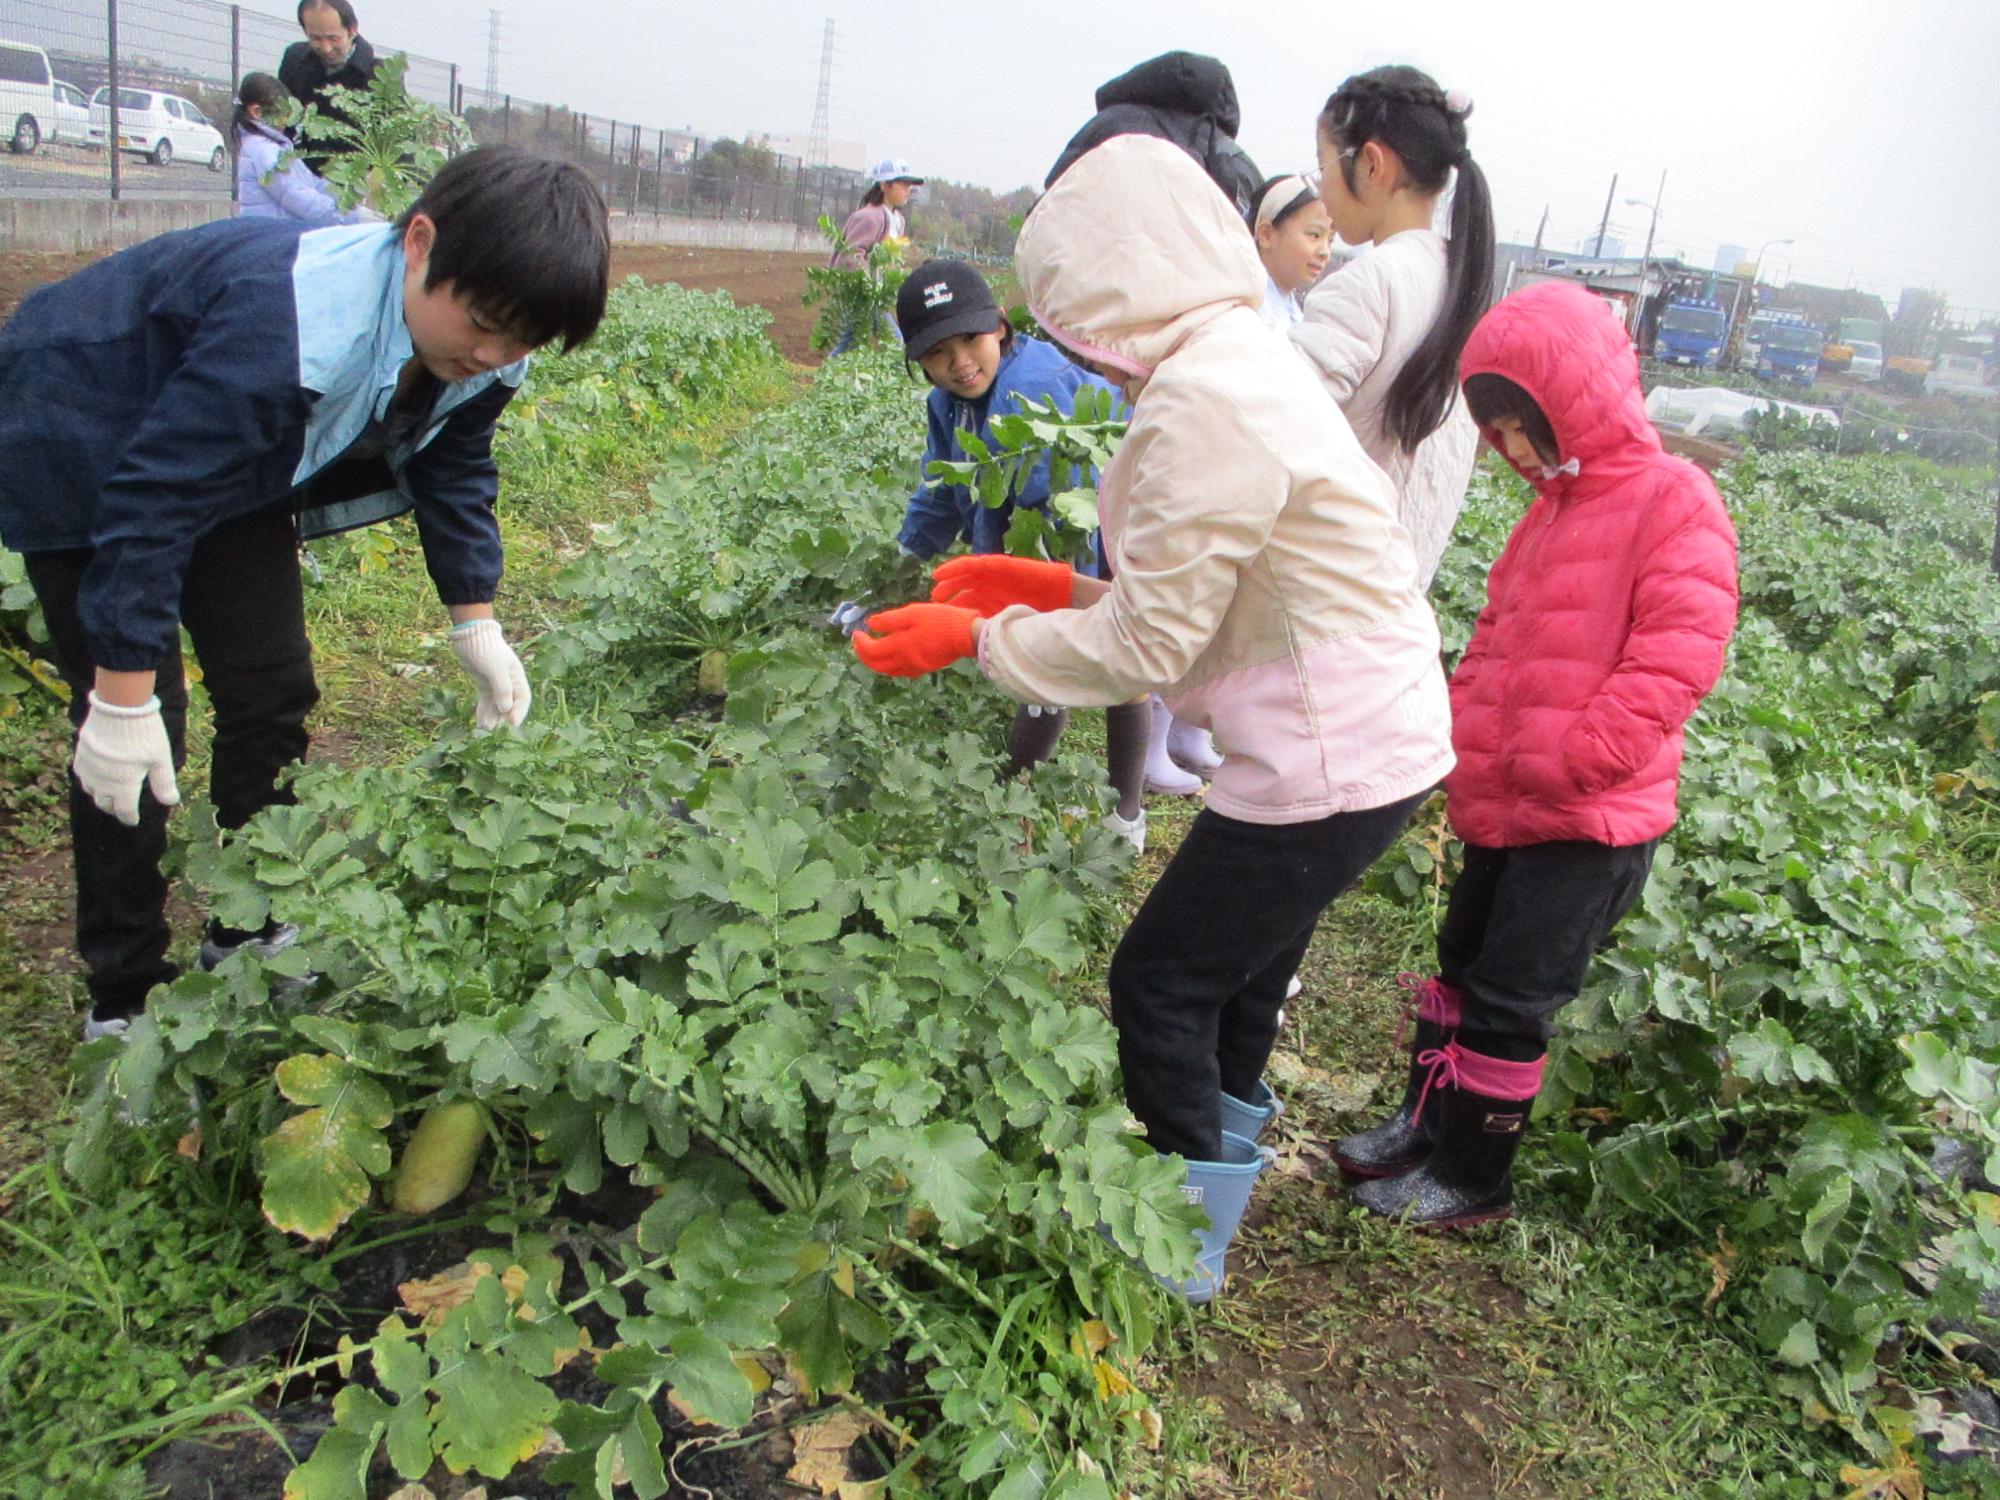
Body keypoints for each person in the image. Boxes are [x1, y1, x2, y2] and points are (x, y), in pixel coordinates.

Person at [851, 135, 1454, 1300]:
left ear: (1112, 298)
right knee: (1237, 976)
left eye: (1081, 328)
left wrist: (974, 641)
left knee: (1158, 985)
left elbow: (1148, 649)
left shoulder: (1203, 397)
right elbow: (1192, 595)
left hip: (1326, 752)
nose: (1089, 357)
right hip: (1363, 735)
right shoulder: (1236, 354)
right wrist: (1044, 588)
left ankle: (1179, 1247)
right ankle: (1219, 1166)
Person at [0, 146, 611, 1041]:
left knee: (272, 685)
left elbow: (454, 465)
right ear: (419, 243)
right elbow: (152, 499)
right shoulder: (292, 318)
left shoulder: (489, 353)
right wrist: (120, 697)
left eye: (521, 343)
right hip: (79, 418)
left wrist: (475, 623)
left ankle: (247, 927)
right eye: (483, 325)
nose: (493, 355)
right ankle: (124, 995)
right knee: (136, 733)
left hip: (225, 450)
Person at [1339, 280, 1739, 1228]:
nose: (1513, 447)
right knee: (1460, 966)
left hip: (1587, 818)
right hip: (1509, 802)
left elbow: (1680, 651)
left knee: (1512, 997)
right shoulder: (1550, 514)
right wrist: (1463, 736)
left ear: (1579, 400)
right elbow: (1495, 640)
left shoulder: (1672, 499)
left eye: (1525, 424)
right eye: (1499, 430)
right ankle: (1425, 1127)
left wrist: (1580, 756)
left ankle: (1474, 1175)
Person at [893, 259, 1154, 848]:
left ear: (1000, 328)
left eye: (971, 340)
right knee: (1044, 665)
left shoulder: (1030, 390)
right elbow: (944, 489)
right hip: (1055, 536)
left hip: (1109, 527)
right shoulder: (947, 403)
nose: (960, 362)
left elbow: (1058, 524)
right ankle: (1011, 793)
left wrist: (1052, 610)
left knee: (1122, 665)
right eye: (938, 352)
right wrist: (903, 556)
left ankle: (1124, 818)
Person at [1291, 66, 1494, 591]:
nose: (1322, 189)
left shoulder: (1370, 283)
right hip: (1398, 605)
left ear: (1372, 164)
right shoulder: (1461, 286)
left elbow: (1271, 426)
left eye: (1323, 165)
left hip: (1322, 596)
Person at [232, 72, 367, 224]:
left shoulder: (270, 147)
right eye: (282, 114)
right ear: (256, 112)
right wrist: (354, 217)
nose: (287, 121)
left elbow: (313, 183)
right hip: (275, 234)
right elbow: (300, 199)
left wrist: (349, 198)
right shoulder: (264, 151)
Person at [825, 158, 921, 356]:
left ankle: (828, 372)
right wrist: (868, 284)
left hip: (875, 295)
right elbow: (851, 255)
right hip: (861, 294)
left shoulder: (897, 220)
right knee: (894, 341)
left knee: (850, 342)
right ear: (884, 185)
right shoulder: (870, 216)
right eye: (903, 184)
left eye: (909, 185)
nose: (908, 190)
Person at [279, 0, 377, 173]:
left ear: (352, 30)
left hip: (355, 178)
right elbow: (280, 118)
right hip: (303, 175)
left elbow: (396, 140)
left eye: (333, 38)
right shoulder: (295, 61)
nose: (326, 48)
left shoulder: (378, 76)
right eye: (316, 38)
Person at [1249, 173, 1333, 329]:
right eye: (1314, 235)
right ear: (1266, 234)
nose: (1325, 252)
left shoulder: (1297, 312)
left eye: (1330, 241)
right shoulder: (1245, 306)